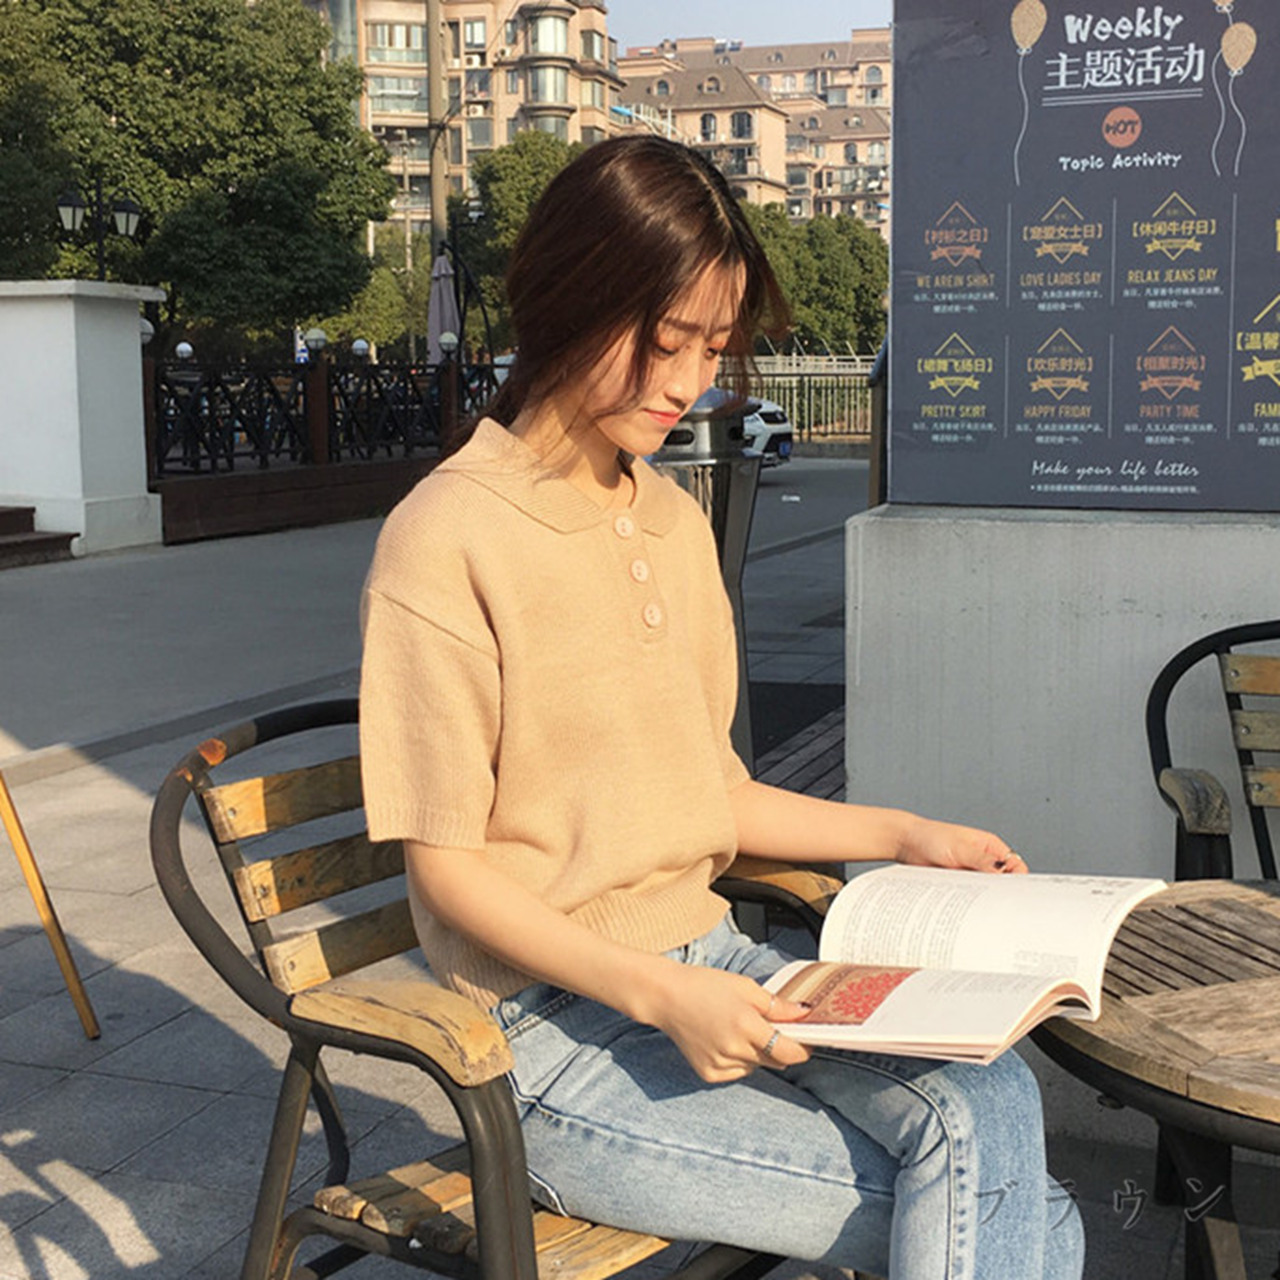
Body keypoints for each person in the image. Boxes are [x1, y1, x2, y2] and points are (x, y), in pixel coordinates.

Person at [359, 136, 1084, 1280]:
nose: (690, 381)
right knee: (1027, 1215)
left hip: (717, 961)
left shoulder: (671, 520)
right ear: (565, 298)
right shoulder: (446, 536)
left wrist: (905, 833)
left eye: (712, 344)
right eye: (665, 340)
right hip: (541, 1036)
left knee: (989, 1100)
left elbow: (710, 793)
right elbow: (447, 873)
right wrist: (658, 990)